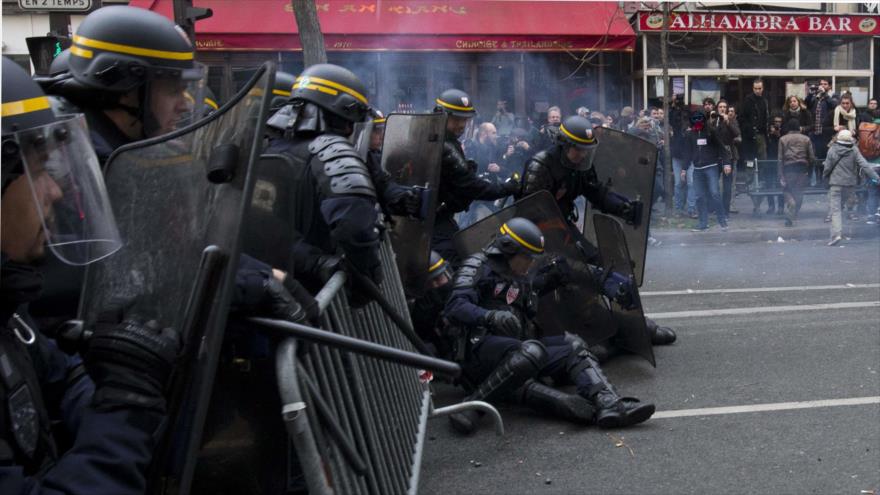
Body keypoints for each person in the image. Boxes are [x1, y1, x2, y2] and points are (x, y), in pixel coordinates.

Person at [0, 56, 180, 494]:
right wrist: (124, 409)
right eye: (40, 169)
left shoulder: (9, 309)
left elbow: (63, 377)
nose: (56, 191)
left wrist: (115, 375)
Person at [443, 218, 655, 434]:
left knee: (573, 344)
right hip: (480, 349)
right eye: (527, 258)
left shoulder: (521, 277)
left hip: (519, 347)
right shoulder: (478, 266)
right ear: (508, 249)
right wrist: (489, 316)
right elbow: (454, 306)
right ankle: (472, 406)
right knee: (531, 351)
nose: (530, 264)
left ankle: (609, 403)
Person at [519, 115, 676, 347]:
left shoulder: (580, 165)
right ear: (565, 146)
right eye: (578, 150)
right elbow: (528, 210)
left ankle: (610, 320)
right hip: (534, 234)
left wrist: (623, 207)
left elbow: (597, 193)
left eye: (586, 150)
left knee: (599, 261)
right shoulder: (541, 165)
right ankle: (557, 329)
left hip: (562, 225)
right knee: (571, 270)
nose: (583, 155)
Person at [265, 63, 385, 285]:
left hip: (260, 282)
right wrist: (365, 276)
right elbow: (354, 226)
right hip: (310, 292)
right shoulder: (331, 151)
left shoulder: (264, 148)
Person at [431, 89, 518, 263]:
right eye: (456, 118)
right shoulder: (444, 145)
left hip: (439, 217)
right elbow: (470, 184)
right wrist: (507, 187)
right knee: (453, 264)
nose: (462, 124)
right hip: (434, 221)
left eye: (465, 119)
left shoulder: (441, 139)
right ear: (442, 116)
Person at [824, 130, 879, 246]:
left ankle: (836, 234)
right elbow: (864, 165)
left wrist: (824, 178)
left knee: (835, 210)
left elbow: (827, 167)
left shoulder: (832, 149)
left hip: (835, 183)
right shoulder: (854, 150)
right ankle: (836, 233)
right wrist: (877, 178)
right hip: (849, 185)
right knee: (840, 207)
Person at [684, 111, 731, 232]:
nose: (698, 121)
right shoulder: (690, 134)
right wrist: (684, 168)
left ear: (704, 120)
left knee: (715, 193)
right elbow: (688, 152)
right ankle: (703, 224)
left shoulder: (711, 132)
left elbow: (722, 148)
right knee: (699, 196)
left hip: (711, 167)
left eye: (700, 119)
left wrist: (726, 163)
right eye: (695, 119)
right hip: (697, 169)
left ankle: (722, 222)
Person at [741, 78, 776, 215]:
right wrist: (751, 131)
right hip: (751, 139)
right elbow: (743, 119)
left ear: (763, 88)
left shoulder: (765, 101)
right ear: (752, 88)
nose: (758, 91)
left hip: (762, 138)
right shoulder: (748, 101)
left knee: (762, 169)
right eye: (755, 88)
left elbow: (766, 118)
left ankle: (759, 203)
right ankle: (755, 202)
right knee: (751, 171)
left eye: (759, 88)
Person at [778, 118, 816, 227]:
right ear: (799, 127)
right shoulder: (806, 139)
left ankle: (791, 203)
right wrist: (809, 171)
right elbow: (812, 158)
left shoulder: (782, 139)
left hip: (788, 169)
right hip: (802, 169)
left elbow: (780, 159)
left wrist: (780, 175)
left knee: (786, 190)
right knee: (799, 192)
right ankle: (793, 213)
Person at [713, 99, 741, 215]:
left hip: (728, 155)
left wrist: (728, 122)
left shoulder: (731, 120)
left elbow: (736, 133)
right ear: (717, 108)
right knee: (714, 183)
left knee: (727, 184)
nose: (722, 109)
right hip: (714, 155)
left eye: (725, 107)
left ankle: (725, 210)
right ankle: (715, 207)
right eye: (720, 107)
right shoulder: (713, 120)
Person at [805, 78, 838, 161]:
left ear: (829, 86)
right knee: (815, 155)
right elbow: (806, 105)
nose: (822, 86)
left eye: (825, 84)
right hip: (815, 131)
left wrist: (825, 95)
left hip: (826, 132)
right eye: (821, 84)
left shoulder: (833, 96)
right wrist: (810, 94)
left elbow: (835, 105)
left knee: (826, 156)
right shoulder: (816, 96)